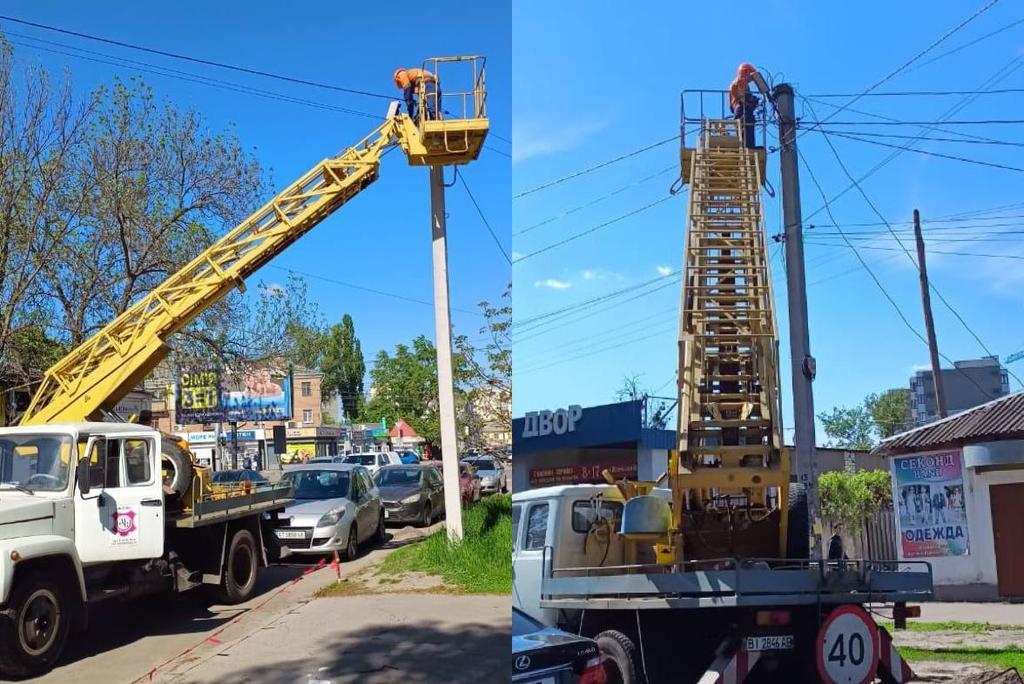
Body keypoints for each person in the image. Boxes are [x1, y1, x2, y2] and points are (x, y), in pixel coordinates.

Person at [728, 63, 764, 149]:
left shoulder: (737, 81)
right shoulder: (741, 80)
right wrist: (754, 100)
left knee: (746, 127)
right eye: (750, 76)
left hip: (739, 108)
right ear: (745, 72)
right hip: (742, 108)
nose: (751, 79)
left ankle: (748, 146)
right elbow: (745, 96)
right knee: (747, 126)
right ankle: (749, 146)